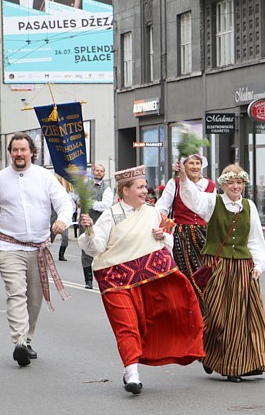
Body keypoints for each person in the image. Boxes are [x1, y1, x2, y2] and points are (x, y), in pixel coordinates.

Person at [79, 165, 204, 394]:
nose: (145, 191)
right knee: (126, 326)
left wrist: (163, 235)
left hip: (149, 278)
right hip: (116, 279)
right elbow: (95, 248)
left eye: (145, 186)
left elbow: (170, 239)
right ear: (125, 190)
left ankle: (141, 365)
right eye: (140, 187)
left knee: (148, 322)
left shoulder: (154, 212)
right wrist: (88, 231)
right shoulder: (111, 215)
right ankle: (132, 372)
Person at [0, 133, 73, 367]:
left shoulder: (45, 177)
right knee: (16, 293)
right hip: (9, 246)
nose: (19, 154)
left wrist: (63, 220)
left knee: (34, 298)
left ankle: (28, 340)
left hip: (39, 248)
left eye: (23, 150)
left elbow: (64, 202)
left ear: (32, 152)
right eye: (15, 150)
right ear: (10, 152)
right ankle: (19, 342)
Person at [177, 162, 265, 382]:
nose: (235, 186)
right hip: (218, 266)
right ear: (223, 184)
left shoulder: (249, 206)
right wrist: (183, 176)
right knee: (216, 316)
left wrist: (258, 265)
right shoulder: (212, 201)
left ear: (244, 184)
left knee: (239, 319)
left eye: (239, 182)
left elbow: (256, 239)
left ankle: (234, 366)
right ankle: (208, 352)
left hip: (242, 267)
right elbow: (192, 199)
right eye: (231, 182)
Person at [155, 154, 216, 303]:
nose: (195, 166)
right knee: (188, 273)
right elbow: (162, 207)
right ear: (183, 166)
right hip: (183, 235)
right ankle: (193, 307)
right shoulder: (175, 183)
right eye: (191, 163)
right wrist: (158, 227)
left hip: (205, 234)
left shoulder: (210, 185)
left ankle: (207, 310)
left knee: (207, 272)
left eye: (198, 163)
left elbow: (213, 210)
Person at [79, 163, 114, 289]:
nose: (99, 172)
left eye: (101, 171)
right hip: (85, 221)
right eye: (97, 170)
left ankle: (103, 279)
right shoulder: (85, 186)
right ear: (93, 172)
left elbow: (106, 205)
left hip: (100, 223)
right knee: (85, 250)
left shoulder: (107, 188)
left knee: (102, 250)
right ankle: (88, 280)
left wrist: (90, 203)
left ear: (104, 173)